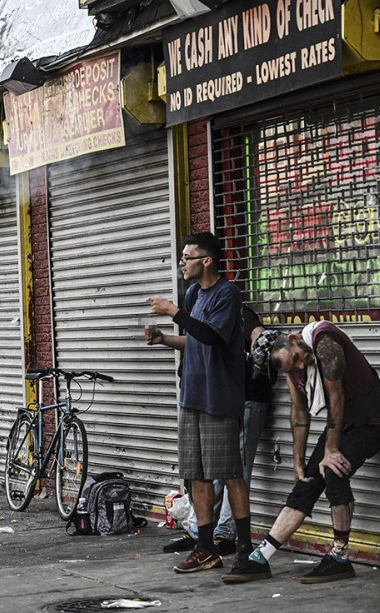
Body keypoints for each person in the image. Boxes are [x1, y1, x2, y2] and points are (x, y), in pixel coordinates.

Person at [224, 322, 380, 584]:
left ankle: (339, 558)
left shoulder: (325, 342)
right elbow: (299, 413)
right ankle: (261, 558)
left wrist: (331, 449)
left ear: (293, 339)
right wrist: (299, 463)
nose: (300, 366)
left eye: (297, 359)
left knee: (334, 473)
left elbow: (336, 397)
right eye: (292, 367)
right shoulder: (293, 369)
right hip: (342, 425)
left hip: (371, 423)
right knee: (307, 483)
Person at [145, 232, 252, 573]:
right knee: (198, 476)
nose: (182, 263)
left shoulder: (227, 294)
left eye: (187, 257)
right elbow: (194, 340)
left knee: (230, 473)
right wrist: (164, 339)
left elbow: (211, 335)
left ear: (206, 260)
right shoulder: (193, 294)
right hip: (192, 395)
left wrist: (173, 311)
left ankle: (246, 550)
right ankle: (206, 548)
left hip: (219, 397)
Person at [164, 305, 275, 556]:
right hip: (217, 400)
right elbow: (195, 344)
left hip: (246, 399)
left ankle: (225, 534)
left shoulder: (238, 313)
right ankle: (201, 531)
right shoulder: (204, 316)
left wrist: (255, 366)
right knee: (213, 469)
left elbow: (259, 334)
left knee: (237, 470)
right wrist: (163, 339)